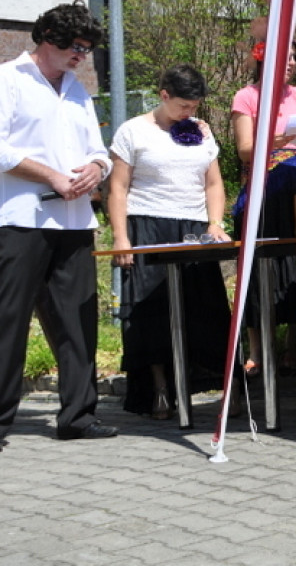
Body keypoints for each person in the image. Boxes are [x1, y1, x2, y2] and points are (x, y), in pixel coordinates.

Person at [0, 1, 117, 443]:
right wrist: (50, 175)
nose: (82, 56)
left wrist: (97, 168)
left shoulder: (77, 90)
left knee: (77, 321)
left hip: (73, 221)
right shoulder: (8, 79)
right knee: (9, 321)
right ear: (49, 38)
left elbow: (98, 150)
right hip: (20, 218)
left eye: (87, 49)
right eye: (76, 47)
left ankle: (78, 417)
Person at [108, 64, 234, 419]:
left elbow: (213, 183)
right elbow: (117, 187)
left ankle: (219, 385)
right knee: (152, 311)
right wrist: (121, 237)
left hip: (192, 227)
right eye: (183, 106)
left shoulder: (200, 131)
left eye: (194, 106)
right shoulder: (133, 130)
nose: (189, 112)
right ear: (164, 96)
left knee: (205, 308)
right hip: (147, 224)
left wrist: (215, 223)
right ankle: (159, 388)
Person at [231, 42, 296, 377]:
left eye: (293, 57)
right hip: (264, 191)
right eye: (284, 56)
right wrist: (275, 142)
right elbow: (245, 150)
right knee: (259, 265)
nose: (290, 62)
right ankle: (258, 350)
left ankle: (294, 346)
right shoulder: (246, 96)